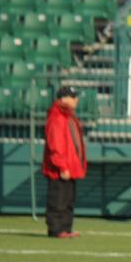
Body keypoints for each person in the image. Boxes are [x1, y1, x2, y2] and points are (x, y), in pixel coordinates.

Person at [42, 85, 86, 239]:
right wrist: (62, 166)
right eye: (73, 97)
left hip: (70, 167)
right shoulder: (57, 117)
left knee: (68, 199)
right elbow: (55, 145)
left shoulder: (68, 116)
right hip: (60, 169)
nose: (76, 99)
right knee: (58, 200)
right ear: (64, 98)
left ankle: (66, 228)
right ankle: (55, 230)